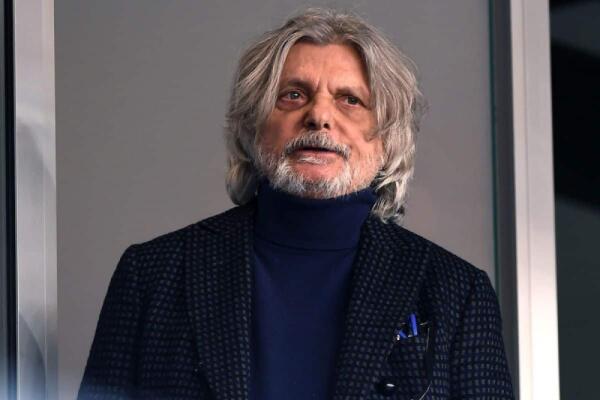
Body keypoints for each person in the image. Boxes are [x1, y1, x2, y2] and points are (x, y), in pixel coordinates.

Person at [78, 7, 514, 400]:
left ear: (387, 138)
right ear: (252, 125)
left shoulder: (458, 292)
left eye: (350, 100)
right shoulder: (152, 275)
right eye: (293, 95)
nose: (319, 116)